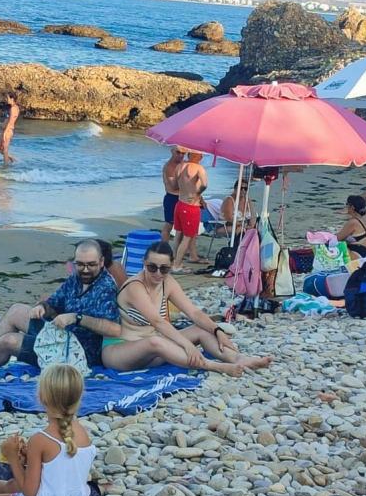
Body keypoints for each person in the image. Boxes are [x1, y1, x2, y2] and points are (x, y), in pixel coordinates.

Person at [101, 242, 272, 376]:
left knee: (201, 329)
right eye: (152, 267)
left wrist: (217, 330)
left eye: (164, 269)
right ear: (144, 263)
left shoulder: (167, 283)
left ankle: (238, 358)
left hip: (154, 351)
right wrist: (187, 345)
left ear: (172, 266)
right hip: (122, 351)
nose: (158, 273)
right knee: (156, 341)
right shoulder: (135, 287)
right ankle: (214, 366)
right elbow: (157, 321)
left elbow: (194, 312)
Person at [0, 240, 119, 373]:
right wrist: (42, 307)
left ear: (101, 262)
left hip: (76, 353)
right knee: (16, 310)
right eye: (80, 264)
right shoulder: (77, 278)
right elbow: (54, 303)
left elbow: (114, 329)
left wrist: (77, 318)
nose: (85, 269)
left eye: (91, 265)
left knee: (8, 341)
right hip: (59, 335)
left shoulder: (106, 287)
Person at [0, 364, 96, 496]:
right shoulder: (83, 432)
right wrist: (29, 458)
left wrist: (12, 456)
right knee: (7, 487)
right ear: (79, 396)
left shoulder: (40, 440)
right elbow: (60, 472)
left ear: (41, 397)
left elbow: (29, 492)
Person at [172, 151, 208, 273]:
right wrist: (197, 193)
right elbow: (205, 184)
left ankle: (175, 262)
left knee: (178, 234)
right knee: (187, 237)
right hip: (190, 206)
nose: (202, 156)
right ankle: (177, 265)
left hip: (180, 203)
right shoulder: (199, 168)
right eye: (200, 154)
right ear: (195, 156)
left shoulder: (179, 166)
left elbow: (174, 184)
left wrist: (185, 189)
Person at [161, 146, 186, 242]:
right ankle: (164, 247)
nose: (180, 155)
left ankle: (179, 248)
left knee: (183, 226)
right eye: (178, 152)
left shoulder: (183, 164)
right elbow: (174, 186)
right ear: (172, 151)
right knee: (169, 225)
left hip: (182, 198)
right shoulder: (169, 166)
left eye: (183, 153)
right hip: (172, 197)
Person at [0, 92, 20, 166]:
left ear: (12, 98)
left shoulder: (14, 108)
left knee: (5, 150)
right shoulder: (12, 107)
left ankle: (5, 167)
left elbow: (10, 121)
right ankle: (12, 159)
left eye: (8, 98)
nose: (6, 99)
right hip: (5, 130)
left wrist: (5, 132)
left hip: (8, 131)